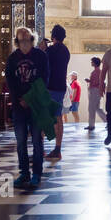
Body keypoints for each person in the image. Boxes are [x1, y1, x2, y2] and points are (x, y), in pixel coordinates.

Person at [5, 26, 48, 188]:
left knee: (37, 140)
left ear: (32, 40)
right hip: (19, 106)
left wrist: (31, 98)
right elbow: (10, 82)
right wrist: (20, 99)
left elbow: (44, 79)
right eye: (21, 40)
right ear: (17, 41)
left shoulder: (41, 56)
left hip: (36, 105)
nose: (25, 42)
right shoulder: (12, 58)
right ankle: (24, 172)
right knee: (21, 140)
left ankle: (36, 173)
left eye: (28, 39)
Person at [45, 24, 70, 161]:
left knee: (44, 117)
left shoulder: (50, 50)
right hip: (61, 87)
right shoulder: (66, 50)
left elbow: (44, 66)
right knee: (58, 117)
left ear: (53, 36)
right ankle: (57, 148)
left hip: (50, 87)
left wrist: (43, 49)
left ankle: (40, 148)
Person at [85, 56, 107, 132]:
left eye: (92, 62)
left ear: (94, 63)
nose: (91, 63)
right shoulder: (98, 71)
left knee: (91, 108)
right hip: (96, 90)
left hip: (95, 90)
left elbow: (97, 82)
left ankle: (91, 125)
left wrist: (89, 81)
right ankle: (107, 121)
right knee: (97, 108)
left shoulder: (96, 72)